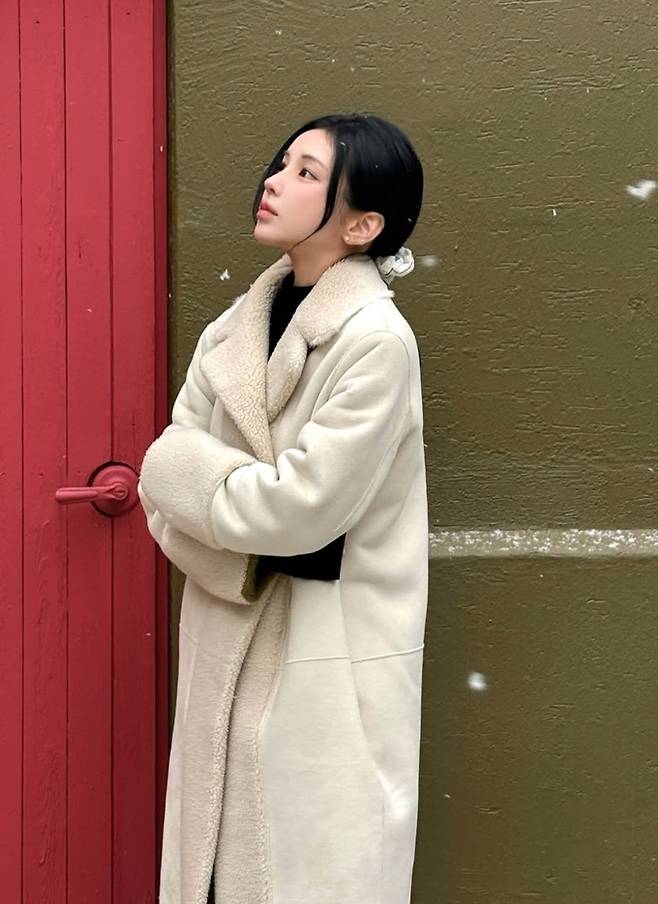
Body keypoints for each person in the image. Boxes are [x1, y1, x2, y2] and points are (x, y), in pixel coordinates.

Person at [137, 112, 428, 904]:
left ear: (364, 225)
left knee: (311, 870)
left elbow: (301, 510)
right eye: (283, 162)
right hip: (221, 648)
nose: (274, 181)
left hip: (325, 659)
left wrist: (212, 502)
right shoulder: (230, 331)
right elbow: (163, 490)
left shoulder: (376, 342)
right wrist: (248, 546)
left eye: (307, 174)